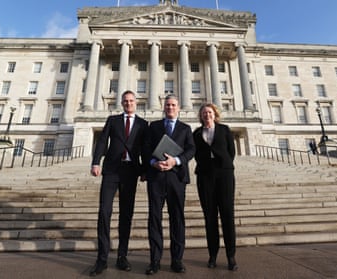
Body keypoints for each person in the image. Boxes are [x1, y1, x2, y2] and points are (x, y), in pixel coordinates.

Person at [89, 90, 148, 276]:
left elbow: (145, 149)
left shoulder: (142, 124)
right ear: (121, 103)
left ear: (136, 103)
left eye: (131, 101)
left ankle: (122, 256)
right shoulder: (112, 120)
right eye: (125, 101)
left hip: (131, 172)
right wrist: (96, 162)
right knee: (104, 212)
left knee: (126, 215)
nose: (128, 103)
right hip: (111, 170)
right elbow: (102, 142)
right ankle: (102, 259)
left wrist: (146, 170)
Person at [144, 94, 195, 275]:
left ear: (178, 107)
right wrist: (152, 163)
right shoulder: (154, 126)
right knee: (154, 219)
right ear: (163, 107)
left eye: (173, 105)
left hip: (176, 178)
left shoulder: (186, 128)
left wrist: (177, 161)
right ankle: (155, 260)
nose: (170, 108)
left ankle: (177, 260)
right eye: (167, 105)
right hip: (156, 177)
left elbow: (191, 150)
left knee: (177, 219)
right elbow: (146, 148)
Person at [192, 103, 238, 271]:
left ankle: (231, 256)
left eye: (209, 112)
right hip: (205, 175)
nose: (207, 115)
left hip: (224, 174)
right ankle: (212, 255)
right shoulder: (196, 133)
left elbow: (231, 151)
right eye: (204, 113)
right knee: (209, 217)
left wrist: (222, 164)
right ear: (201, 116)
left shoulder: (224, 129)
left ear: (215, 114)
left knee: (227, 215)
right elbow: (195, 153)